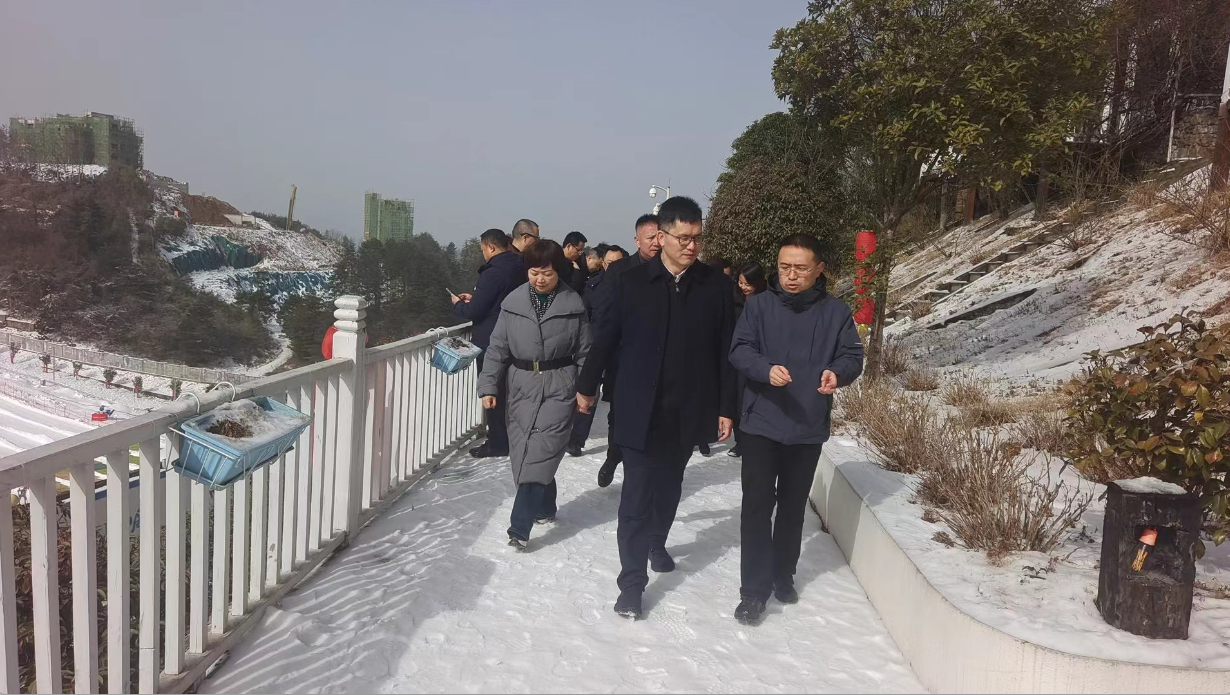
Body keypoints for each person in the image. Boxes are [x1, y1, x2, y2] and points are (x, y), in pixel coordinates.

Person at [577, 196, 736, 619]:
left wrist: (726, 406)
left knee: (669, 488)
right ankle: (631, 583)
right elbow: (605, 339)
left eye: (697, 238)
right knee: (635, 497)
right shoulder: (628, 282)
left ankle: (657, 539)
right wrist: (587, 386)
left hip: (687, 410)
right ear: (660, 236)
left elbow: (725, 351)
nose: (691, 246)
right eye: (682, 238)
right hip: (637, 409)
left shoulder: (715, 286)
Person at [728, 234, 864, 625]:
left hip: (806, 424)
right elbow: (739, 350)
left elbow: (852, 356)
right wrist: (764, 370)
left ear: (819, 269)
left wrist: (837, 374)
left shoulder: (836, 312)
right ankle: (753, 590)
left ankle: (782, 573)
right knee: (756, 507)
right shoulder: (758, 306)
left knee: (791, 506)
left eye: (800, 268)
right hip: (760, 422)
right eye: (784, 267)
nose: (790, 275)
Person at [478, 239, 591, 551]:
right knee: (526, 451)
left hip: (560, 384)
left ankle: (519, 528)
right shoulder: (512, 304)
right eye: (534, 273)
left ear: (560, 273)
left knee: (541, 449)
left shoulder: (574, 306)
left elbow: (586, 354)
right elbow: (497, 348)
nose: (541, 279)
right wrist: (488, 386)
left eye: (548, 274)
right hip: (520, 385)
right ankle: (545, 507)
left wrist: (586, 390)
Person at [586, 215, 663, 488]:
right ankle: (612, 455)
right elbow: (605, 321)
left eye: (659, 236)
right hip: (624, 359)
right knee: (619, 415)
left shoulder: (673, 268)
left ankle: (641, 472)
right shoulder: (619, 271)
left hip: (660, 361)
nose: (656, 243)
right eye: (649, 237)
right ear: (637, 240)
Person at [451, 228, 525, 458]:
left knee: (492, 392)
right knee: (511, 393)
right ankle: (513, 438)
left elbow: (475, 311)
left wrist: (457, 304)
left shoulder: (492, 273)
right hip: (518, 338)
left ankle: (498, 442)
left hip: (492, 341)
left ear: (491, 247)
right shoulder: (520, 266)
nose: (483, 253)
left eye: (483, 249)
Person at [566, 244, 629, 457]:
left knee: (620, 398)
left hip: (623, 350)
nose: (613, 267)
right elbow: (584, 316)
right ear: (603, 262)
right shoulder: (593, 286)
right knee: (589, 391)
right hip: (596, 347)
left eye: (618, 263)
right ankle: (577, 439)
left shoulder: (636, 286)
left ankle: (617, 445)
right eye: (610, 263)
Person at [728, 261, 768, 458]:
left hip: (758, 359)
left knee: (751, 400)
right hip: (736, 358)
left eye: (748, 284)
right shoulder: (735, 302)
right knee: (736, 399)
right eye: (741, 283)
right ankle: (739, 442)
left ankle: (752, 440)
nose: (743, 287)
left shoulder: (767, 302)